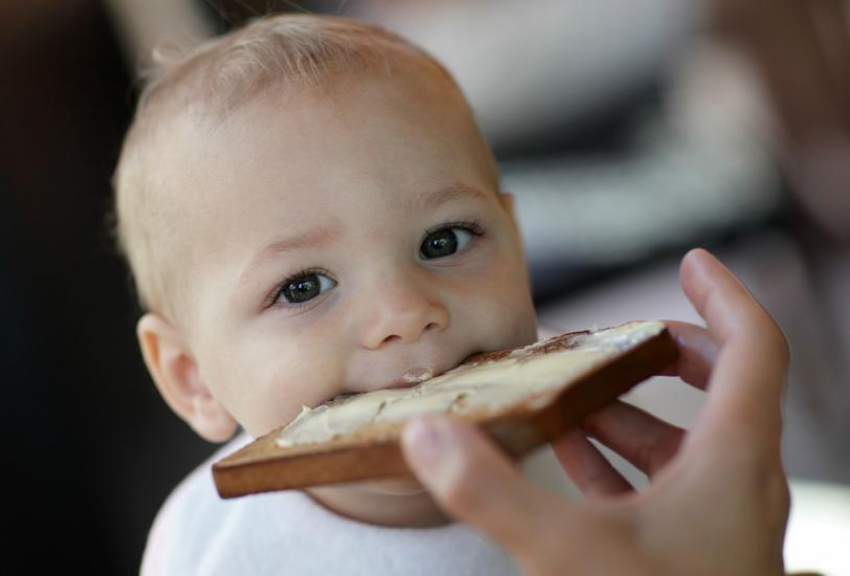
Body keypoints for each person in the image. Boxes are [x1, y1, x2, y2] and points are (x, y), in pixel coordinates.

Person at [111, 13, 791, 575]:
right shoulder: (209, 549)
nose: (405, 313)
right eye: (302, 286)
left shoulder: (620, 487)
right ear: (192, 376)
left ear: (517, 245)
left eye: (444, 241)